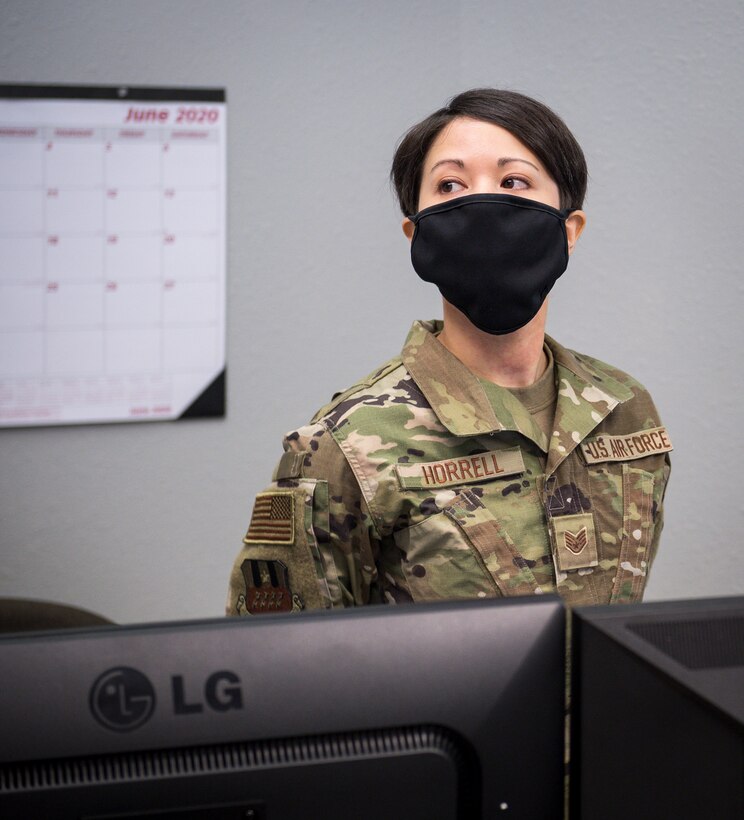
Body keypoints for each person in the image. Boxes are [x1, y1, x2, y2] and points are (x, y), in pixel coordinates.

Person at [226, 88, 672, 616]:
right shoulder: (344, 446)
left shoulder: (623, 410)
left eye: (514, 181)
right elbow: (279, 662)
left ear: (569, 230)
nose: (484, 203)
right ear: (416, 235)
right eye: (450, 185)